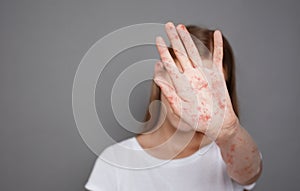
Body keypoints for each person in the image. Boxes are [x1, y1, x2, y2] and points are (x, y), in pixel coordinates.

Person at [85, 22, 263, 191]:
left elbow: (249, 172)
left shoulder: (230, 153)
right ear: (160, 76)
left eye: (206, 89)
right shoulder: (115, 160)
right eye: (182, 82)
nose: (191, 101)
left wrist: (229, 132)